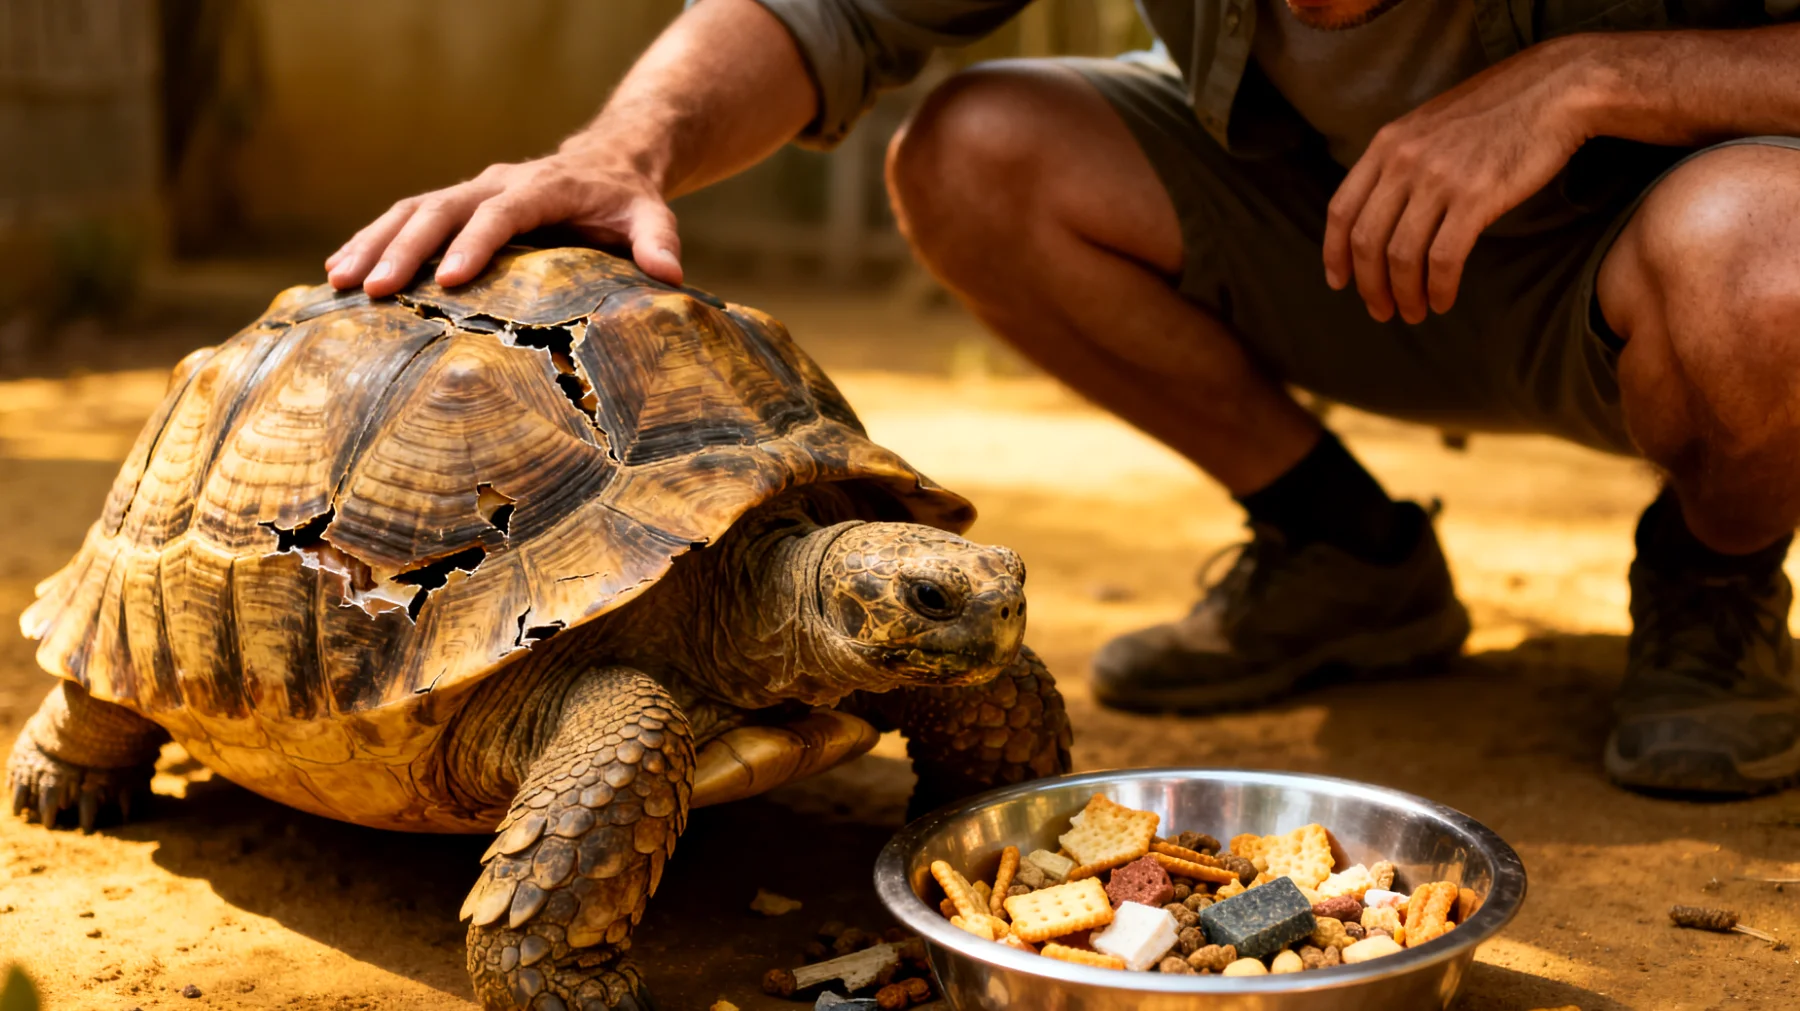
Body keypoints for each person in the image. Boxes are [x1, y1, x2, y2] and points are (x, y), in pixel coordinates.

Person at [328, 0, 1800, 798]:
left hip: (1639, 252)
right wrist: (627, 147)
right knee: (975, 147)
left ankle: (1718, 573)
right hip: (1322, 237)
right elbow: (826, 11)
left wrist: (1591, 75)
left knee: (1776, 261)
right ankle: (1341, 547)